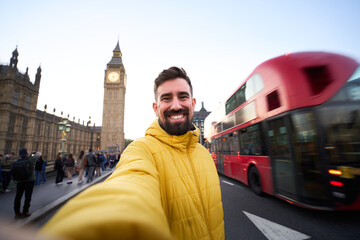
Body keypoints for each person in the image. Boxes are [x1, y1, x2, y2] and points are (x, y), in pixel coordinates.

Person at [40, 67, 225, 239]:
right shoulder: (141, 150)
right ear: (155, 108)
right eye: (166, 98)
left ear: (192, 103)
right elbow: (129, 184)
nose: (175, 105)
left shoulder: (204, 154)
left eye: (183, 96)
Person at [13, 149, 38, 219]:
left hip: (20, 181)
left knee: (18, 197)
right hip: (29, 181)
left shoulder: (17, 162)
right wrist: (33, 153)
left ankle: (17, 213)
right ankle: (25, 211)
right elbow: (38, 155)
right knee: (28, 196)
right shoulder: (30, 160)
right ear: (27, 153)